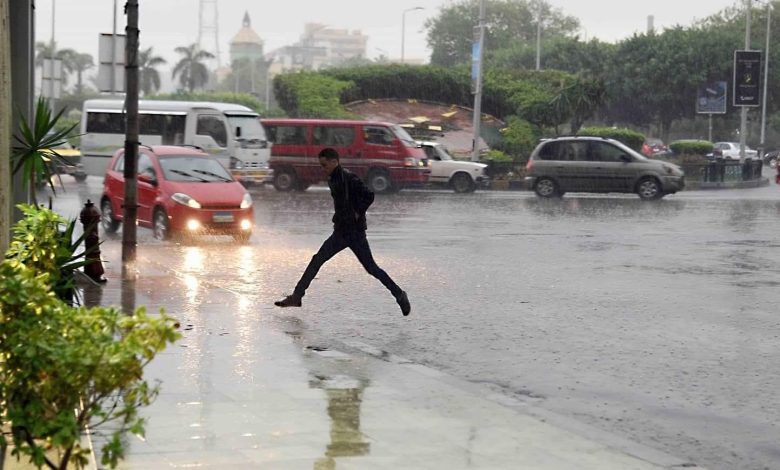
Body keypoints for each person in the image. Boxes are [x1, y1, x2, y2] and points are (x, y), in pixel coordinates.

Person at [274, 148, 411, 316]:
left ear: (334, 161)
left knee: (371, 268)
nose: (323, 168)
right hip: (340, 232)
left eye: (324, 165)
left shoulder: (348, 178)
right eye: (321, 165)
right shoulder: (333, 178)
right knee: (317, 260)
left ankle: (399, 294)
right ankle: (297, 296)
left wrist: (356, 212)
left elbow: (369, 196)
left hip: (354, 233)